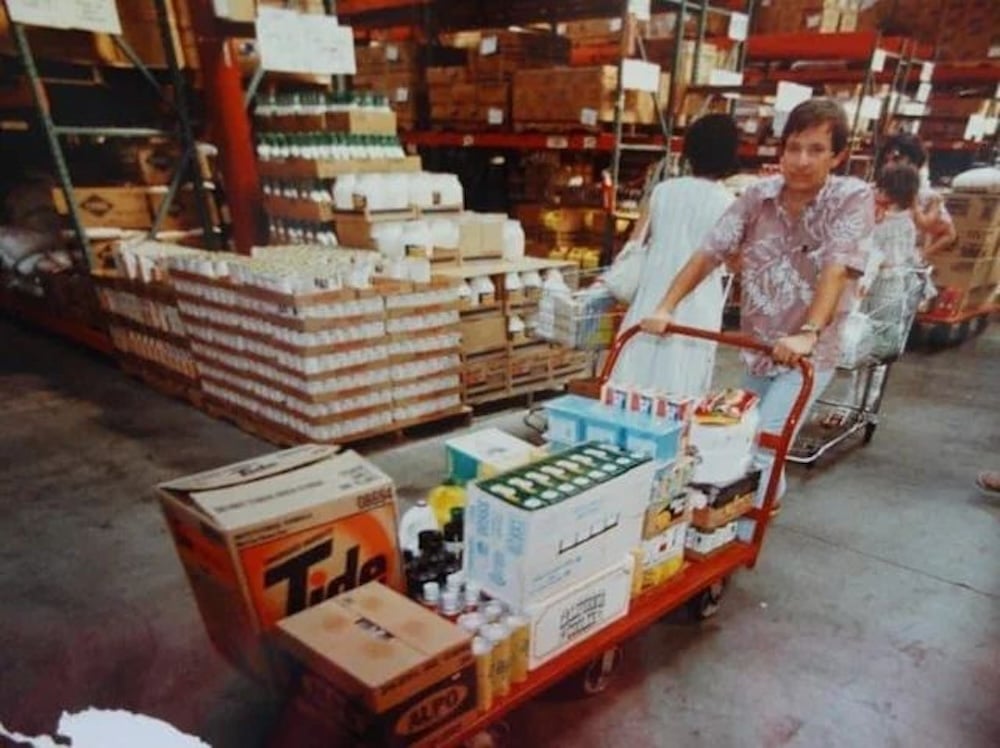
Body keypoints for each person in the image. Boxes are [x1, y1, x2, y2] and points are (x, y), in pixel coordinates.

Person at [641, 97, 874, 509]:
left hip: (808, 352)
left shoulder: (851, 198)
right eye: (794, 148)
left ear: (837, 156)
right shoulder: (757, 197)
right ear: (781, 150)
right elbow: (709, 251)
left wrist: (808, 332)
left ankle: (741, 532)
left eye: (816, 150)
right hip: (759, 345)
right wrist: (666, 306)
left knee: (763, 444)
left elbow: (837, 266)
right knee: (733, 434)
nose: (802, 160)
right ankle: (756, 511)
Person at [609, 113, 740, 396]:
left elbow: (635, 241)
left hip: (651, 295)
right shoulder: (728, 203)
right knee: (682, 381)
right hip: (698, 304)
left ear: (689, 151)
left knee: (635, 375)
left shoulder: (662, 192)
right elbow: (732, 261)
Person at [875, 133, 956, 259]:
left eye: (896, 159)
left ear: (914, 162)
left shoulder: (926, 197)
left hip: (902, 263)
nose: (890, 164)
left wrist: (921, 256)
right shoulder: (875, 191)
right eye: (887, 160)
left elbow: (949, 234)